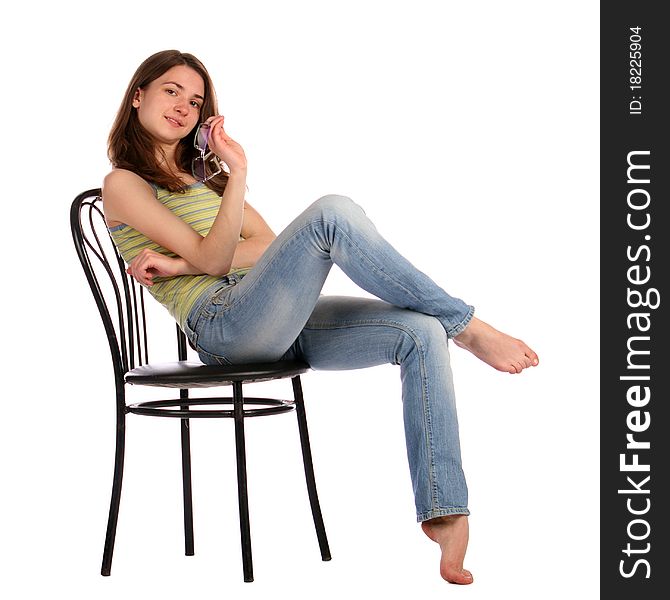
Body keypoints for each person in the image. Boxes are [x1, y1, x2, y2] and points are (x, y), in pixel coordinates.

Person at [102, 49, 539, 585]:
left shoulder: (204, 185)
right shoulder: (124, 183)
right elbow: (222, 259)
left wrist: (177, 259)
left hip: (271, 317)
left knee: (420, 332)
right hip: (224, 327)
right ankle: (467, 325)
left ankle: (444, 511)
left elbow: (267, 245)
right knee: (333, 214)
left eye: (195, 101)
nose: (184, 107)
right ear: (138, 95)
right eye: (171, 91)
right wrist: (237, 173)